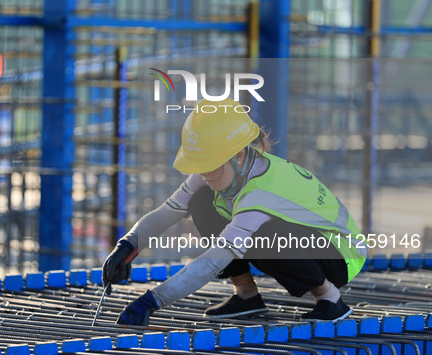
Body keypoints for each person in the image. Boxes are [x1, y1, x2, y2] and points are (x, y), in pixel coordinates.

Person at [102, 99, 368, 326]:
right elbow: (166, 212)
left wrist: (152, 301)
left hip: (341, 255)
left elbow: (212, 261)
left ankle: (329, 299)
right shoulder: (219, 169)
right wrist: (127, 246)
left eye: (208, 164)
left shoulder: (261, 193)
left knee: (264, 232)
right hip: (312, 244)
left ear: (238, 156)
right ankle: (246, 296)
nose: (203, 172)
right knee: (201, 200)